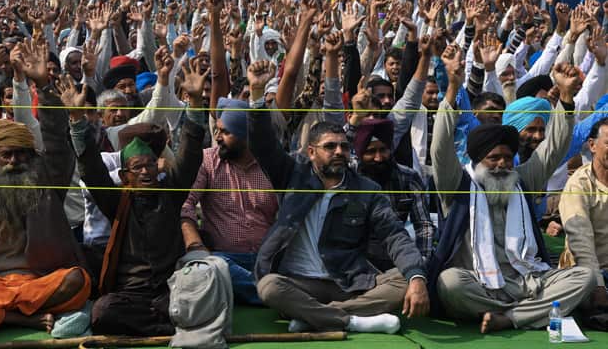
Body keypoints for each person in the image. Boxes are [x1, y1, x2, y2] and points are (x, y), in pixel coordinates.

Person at [247, 60, 430, 334]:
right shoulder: (292, 174)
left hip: (348, 282)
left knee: (403, 281)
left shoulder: (366, 190)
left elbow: (395, 235)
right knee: (269, 287)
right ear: (311, 152)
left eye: (344, 147)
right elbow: (263, 145)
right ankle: (355, 321)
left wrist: (416, 277)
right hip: (299, 282)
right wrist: (257, 95)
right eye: (330, 147)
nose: (338, 152)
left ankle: (317, 317)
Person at [429, 46, 594, 333]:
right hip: (479, 283)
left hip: (527, 281)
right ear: (478, 160)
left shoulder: (521, 180)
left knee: (585, 278)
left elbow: (553, 149)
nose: (503, 164)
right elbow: (440, 150)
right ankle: (531, 312)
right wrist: (452, 89)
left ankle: (510, 317)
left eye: (507, 157)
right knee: (449, 283)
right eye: (494, 158)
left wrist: (566, 98)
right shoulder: (458, 184)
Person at [67, 53, 208, 335]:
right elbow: (92, 171)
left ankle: (163, 323)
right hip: (131, 294)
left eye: (149, 166)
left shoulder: (170, 194)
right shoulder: (117, 202)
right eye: (137, 168)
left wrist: (195, 102)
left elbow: (191, 156)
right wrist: (77, 119)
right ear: (124, 177)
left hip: (170, 289)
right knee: (103, 312)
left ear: (158, 168)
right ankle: (167, 327)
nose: (145, 172)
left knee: (201, 296)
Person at [0, 49, 91, 339]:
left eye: (21, 154)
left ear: (32, 158)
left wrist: (44, 87)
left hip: (36, 283)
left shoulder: (44, 182)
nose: (14, 161)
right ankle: (16, 317)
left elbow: (58, 146)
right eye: (6, 155)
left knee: (77, 280)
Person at [181, 97, 277, 305]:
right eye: (217, 130)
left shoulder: (271, 164)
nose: (217, 137)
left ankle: (266, 291)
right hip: (225, 258)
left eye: (225, 132)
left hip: (268, 259)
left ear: (245, 135)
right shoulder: (207, 160)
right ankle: (272, 294)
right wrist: (195, 246)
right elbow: (185, 205)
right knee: (212, 266)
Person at [353, 118, 435, 265]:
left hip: (394, 254)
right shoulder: (349, 176)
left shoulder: (408, 178)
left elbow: (423, 225)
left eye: (383, 150)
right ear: (360, 154)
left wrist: (422, 261)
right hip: (354, 256)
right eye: (371, 152)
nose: (378, 158)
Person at [559, 118, 608, 311]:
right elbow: (581, 242)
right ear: (592, 146)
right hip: (591, 274)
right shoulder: (579, 185)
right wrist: (598, 285)